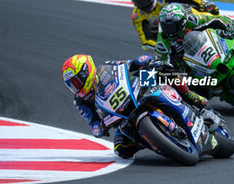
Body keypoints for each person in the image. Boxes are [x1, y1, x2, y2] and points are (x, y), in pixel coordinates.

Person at [61, 54, 208, 159]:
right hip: (120, 118)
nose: (76, 88)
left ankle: (188, 95)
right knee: (121, 150)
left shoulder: (104, 67)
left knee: (163, 68)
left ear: (86, 71)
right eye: (71, 86)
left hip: (136, 91)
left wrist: (140, 61)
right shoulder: (81, 101)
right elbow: (92, 121)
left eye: (76, 82)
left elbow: (129, 64)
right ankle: (153, 140)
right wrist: (99, 128)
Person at [156, 3, 234, 67]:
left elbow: (218, 19)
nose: (169, 31)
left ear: (182, 22)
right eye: (166, 27)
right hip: (189, 64)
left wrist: (231, 29)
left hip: (208, 44)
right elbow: (165, 63)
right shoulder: (163, 41)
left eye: (172, 26)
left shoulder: (193, 20)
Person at [129, 0, 219, 52]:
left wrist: (204, 4)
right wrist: (165, 46)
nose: (143, 4)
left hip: (182, 23)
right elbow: (146, 41)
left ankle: (216, 22)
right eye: (139, 1)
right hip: (167, 39)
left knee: (195, 10)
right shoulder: (137, 16)